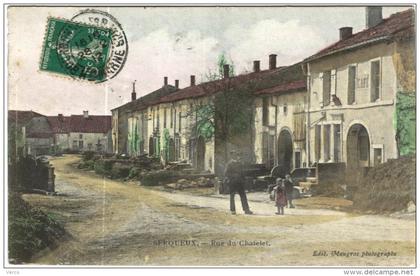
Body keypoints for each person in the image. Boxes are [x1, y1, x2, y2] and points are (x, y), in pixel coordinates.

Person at [224, 151, 253, 215]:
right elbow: (226, 173)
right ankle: (233, 210)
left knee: (243, 196)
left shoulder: (240, 164)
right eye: (234, 155)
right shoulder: (229, 164)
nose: (235, 156)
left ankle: (246, 210)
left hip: (240, 182)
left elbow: (242, 173)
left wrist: (244, 180)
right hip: (233, 183)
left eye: (236, 155)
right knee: (232, 196)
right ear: (231, 156)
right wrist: (234, 176)